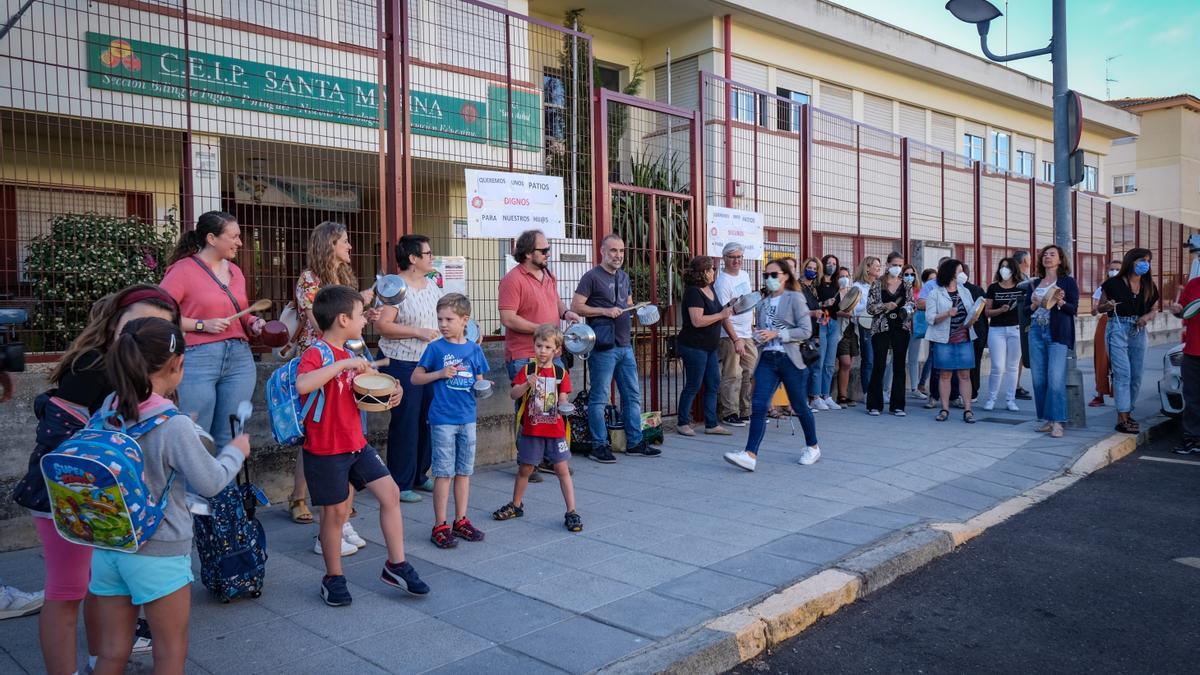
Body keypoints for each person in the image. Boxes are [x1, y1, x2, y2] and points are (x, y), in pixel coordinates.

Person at [11, 284, 177, 675]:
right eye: (136, 326)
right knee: (67, 590)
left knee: (96, 586)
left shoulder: (141, 370)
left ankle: (97, 661)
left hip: (104, 497)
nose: (142, 338)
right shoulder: (92, 365)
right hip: (65, 494)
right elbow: (63, 437)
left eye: (157, 330)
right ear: (114, 323)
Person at [88, 317, 249, 674]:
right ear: (176, 365)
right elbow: (211, 482)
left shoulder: (109, 409)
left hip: (110, 545)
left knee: (112, 650)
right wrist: (235, 451)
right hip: (158, 551)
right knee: (170, 651)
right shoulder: (172, 424)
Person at [296, 285, 428, 605]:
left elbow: (370, 385)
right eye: (358, 316)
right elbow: (303, 384)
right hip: (326, 448)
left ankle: (396, 565)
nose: (364, 321)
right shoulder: (318, 353)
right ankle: (333, 577)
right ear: (342, 319)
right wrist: (342, 366)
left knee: (391, 493)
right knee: (335, 514)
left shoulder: (352, 350)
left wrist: (393, 389)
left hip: (356, 443)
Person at [289, 222, 379, 559]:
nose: (350, 247)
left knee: (353, 433)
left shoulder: (346, 277)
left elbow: (348, 321)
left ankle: (342, 520)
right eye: (344, 241)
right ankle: (325, 519)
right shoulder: (310, 280)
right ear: (330, 245)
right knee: (321, 437)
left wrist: (366, 314)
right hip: (323, 364)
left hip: (350, 357)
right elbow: (319, 324)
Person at [160, 211, 266, 451]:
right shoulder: (182, 270)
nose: (240, 242)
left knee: (231, 433)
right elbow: (161, 313)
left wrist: (252, 323)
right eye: (234, 237)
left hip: (240, 358)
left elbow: (242, 312)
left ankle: (224, 488)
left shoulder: (235, 272)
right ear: (212, 238)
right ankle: (192, 490)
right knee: (195, 434)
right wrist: (201, 325)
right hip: (198, 357)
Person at [497, 230, 581, 479]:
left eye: (548, 249)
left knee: (550, 407)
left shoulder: (548, 274)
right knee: (528, 408)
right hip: (525, 353)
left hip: (552, 352)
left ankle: (545, 459)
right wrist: (544, 331)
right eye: (543, 250)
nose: (548, 254)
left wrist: (567, 314)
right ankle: (526, 462)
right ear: (527, 253)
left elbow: (556, 303)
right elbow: (508, 318)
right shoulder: (513, 280)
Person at [723, 259, 820, 471]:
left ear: (785, 276)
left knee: (800, 406)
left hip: (790, 359)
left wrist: (777, 333)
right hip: (768, 358)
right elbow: (762, 332)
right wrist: (759, 336)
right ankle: (750, 454)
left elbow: (806, 330)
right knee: (759, 404)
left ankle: (812, 446)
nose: (769, 279)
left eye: (774, 275)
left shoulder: (795, 298)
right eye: (766, 276)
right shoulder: (764, 302)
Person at [572, 234, 660, 462]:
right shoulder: (591, 277)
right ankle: (599, 446)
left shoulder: (624, 277)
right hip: (603, 347)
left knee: (632, 395)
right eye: (613, 251)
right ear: (602, 251)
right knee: (599, 398)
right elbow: (577, 307)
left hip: (625, 345)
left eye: (621, 251)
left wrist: (637, 309)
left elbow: (627, 303)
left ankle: (635, 442)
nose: (618, 255)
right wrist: (605, 311)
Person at [413, 293, 490, 549]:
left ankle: (461, 520)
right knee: (443, 473)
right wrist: (439, 373)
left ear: (464, 320)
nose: (443, 324)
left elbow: (479, 378)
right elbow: (415, 378)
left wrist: (482, 386)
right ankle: (440, 525)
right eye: (440, 319)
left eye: (449, 319)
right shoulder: (435, 348)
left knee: (464, 472)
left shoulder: (474, 349)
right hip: (442, 419)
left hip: (467, 418)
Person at [492, 324, 582, 532]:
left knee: (562, 469)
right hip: (532, 430)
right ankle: (516, 505)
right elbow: (514, 394)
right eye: (539, 345)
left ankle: (572, 511)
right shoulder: (527, 369)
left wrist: (565, 406)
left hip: (555, 430)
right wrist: (526, 384)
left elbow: (563, 398)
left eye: (547, 347)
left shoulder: (560, 373)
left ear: (556, 350)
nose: (542, 350)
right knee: (525, 468)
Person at [375, 234, 444, 502]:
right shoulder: (394, 287)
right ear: (413, 259)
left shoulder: (432, 285)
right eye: (427, 254)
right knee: (406, 421)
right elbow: (382, 326)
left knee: (428, 419)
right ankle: (400, 481)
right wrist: (417, 332)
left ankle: (420, 475)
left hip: (428, 363)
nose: (432, 257)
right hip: (400, 362)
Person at [1098, 248, 1159, 434]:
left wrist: (1145, 318)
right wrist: (1107, 306)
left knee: (1136, 375)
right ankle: (1122, 418)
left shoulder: (1149, 285)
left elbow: (1154, 309)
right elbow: (1099, 307)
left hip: (1138, 330)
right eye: (1142, 259)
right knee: (1122, 374)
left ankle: (1128, 411)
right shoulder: (1112, 284)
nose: (1145, 264)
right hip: (1117, 327)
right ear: (1131, 261)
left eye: (1148, 260)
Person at [676, 256, 736, 435]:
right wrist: (721, 314)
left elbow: (718, 312)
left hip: (709, 346)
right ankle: (682, 422)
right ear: (703, 272)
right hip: (694, 346)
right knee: (694, 384)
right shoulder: (693, 292)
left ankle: (711, 424)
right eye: (711, 270)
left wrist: (728, 307)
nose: (713, 273)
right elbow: (697, 321)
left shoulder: (710, 289)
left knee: (713, 383)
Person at [1025, 245, 1079, 438]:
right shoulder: (1035, 283)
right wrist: (1032, 303)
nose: (1047, 257)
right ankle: (1048, 419)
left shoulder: (1067, 282)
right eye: (1045, 254)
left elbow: (1073, 309)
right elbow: (1025, 311)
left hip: (1057, 332)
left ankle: (1058, 422)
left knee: (1055, 378)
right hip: (1036, 331)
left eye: (1052, 254)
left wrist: (1061, 302)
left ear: (1060, 259)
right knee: (1039, 380)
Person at [925, 259, 977, 424]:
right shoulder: (935, 293)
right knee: (945, 374)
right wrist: (947, 313)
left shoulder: (965, 291)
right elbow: (930, 318)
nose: (962, 274)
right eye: (959, 270)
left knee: (964, 375)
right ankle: (944, 408)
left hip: (964, 337)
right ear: (950, 273)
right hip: (944, 339)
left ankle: (968, 410)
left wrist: (975, 314)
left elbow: (971, 311)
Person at [714, 242, 757, 427]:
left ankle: (745, 410)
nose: (736, 260)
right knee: (733, 374)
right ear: (724, 259)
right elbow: (724, 315)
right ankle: (729, 412)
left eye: (739, 257)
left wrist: (752, 326)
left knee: (750, 371)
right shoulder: (722, 282)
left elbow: (747, 302)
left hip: (747, 332)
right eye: (732, 257)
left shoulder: (745, 275)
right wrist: (736, 338)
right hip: (730, 334)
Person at [865, 254, 913, 416]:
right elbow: (870, 308)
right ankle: (874, 404)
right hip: (881, 328)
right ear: (887, 264)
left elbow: (912, 304)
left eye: (900, 265)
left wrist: (906, 309)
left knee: (899, 365)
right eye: (894, 264)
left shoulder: (906, 285)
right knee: (879, 364)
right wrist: (885, 305)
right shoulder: (877, 284)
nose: (897, 268)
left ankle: (898, 405)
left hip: (901, 327)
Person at [982, 257, 1025, 411]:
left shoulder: (1021, 288)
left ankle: (1010, 399)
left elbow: (1026, 309)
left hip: (1016, 329)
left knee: (1012, 366)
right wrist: (1000, 310)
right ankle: (991, 398)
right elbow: (987, 311)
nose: (1004, 270)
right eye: (1002, 266)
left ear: (1014, 270)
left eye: (1007, 267)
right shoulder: (993, 288)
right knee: (997, 366)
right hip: (997, 330)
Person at [1166, 272, 1200, 454]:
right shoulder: (1194, 284)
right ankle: (1192, 439)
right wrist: (1177, 310)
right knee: (1192, 398)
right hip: (1193, 351)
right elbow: (1184, 311)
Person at [1089, 259, 1123, 407]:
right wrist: (1096, 308)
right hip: (1105, 321)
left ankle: (1119, 393)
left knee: (1120, 359)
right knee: (1101, 359)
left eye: (1117, 269)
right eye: (1111, 269)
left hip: (1122, 323)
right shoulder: (1103, 287)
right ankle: (1100, 394)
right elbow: (1094, 310)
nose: (1114, 271)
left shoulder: (1127, 287)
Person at [813, 254, 843, 410]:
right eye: (829, 263)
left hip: (833, 322)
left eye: (834, 263)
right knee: (820, 361)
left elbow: (839, 308)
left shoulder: (837, 285)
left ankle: (827, 395)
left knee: (830, 363)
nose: (831, 266)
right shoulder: (816, 284)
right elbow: (812, 304)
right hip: (821, 322)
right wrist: (823, 303)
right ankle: (816, 396)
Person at [850, 256, 881, 399]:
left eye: (880, 266)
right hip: (866, 326)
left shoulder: (880, 285)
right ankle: (867, 392)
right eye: (876, 266)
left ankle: (878, 390)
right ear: (867, 267)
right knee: (868, 359)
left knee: (879, 360)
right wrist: (873, 307)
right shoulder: (857, 287)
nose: (879, 268)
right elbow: (854, 309)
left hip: (880, 326)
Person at [796, 257, 824, 410]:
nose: (812, 271)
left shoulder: (813, 289)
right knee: (803, 369)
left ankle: (813, 397)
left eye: (815, 269)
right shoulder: (797, 286)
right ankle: (801, 401)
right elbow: (796, 310)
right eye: (810, 267)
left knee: (814, 367)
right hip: (801, 333)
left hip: (813, 332)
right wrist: (812, 312)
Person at [961, 263, 989, 402]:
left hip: (973, 332)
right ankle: (972, 392)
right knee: (973, 363)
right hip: (975, 332)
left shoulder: (973, 290)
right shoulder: (977, 289)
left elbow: (983, 312)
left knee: (970, 364)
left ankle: (970, 392)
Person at [833, 267, 859, 407]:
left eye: (846, 275)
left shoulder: (851, 292)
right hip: (839, 331)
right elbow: (831, 311)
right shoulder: (835, 294)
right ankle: (838, 395)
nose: (844, 278)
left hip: (851, 330)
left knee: (848, 365)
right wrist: (841, 313)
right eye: (841, 276)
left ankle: (843, 395)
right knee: (845, 362)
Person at [1012, 249, 1034, 401]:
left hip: (1019, 319)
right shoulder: (1020, 278)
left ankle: (1016, 385)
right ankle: (1014, 386)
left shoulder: (1021, 277)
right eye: (1030, 259)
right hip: (1016, 320)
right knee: (1017, 357)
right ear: (1025, 261)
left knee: (1018, 357)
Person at [914, 268, 936, 397]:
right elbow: (919, 304)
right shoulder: (923, 291)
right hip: (924, 324)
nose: (933, 282)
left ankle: (922, 383)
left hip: (934, 324)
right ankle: (920, 384)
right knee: (930, 355)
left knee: (932, 355)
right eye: (930, 279)